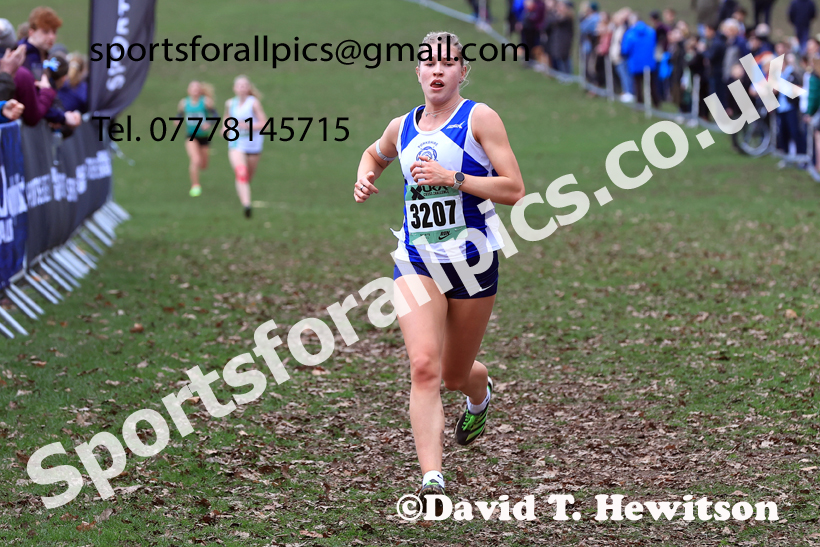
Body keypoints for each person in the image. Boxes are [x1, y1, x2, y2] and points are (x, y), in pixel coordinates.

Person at [353, 31, 525, 511]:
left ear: (462, 72)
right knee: (424, 367)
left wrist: (455, 179)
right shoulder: (402, 125)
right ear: (417, 71)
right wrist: (366, 176)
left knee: (454, 375)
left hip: (472, 259)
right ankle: (433, 480)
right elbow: (375, 153)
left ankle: (479, 390)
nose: (437, 70)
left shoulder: (480, 118)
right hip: (415, 260)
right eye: (429, 62)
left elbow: (514, 189)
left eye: (448, 63)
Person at [224, 75, 266, 218]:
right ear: (234, 88)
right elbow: (227, 120)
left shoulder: (253, 103)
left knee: (247, 177)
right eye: (239, 86)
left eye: (244, 86)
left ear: (248, 88)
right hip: (237, 144)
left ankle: (244, 197)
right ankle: (247, 205)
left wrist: (248, 126)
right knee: (241, 172)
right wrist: (225, 128)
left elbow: (264, 124)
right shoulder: (230, 103)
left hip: (254, 145)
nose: (242, 88)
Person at [177, 81, 217, 197]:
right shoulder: (184, 103)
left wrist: (208, 123)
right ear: (188, 90)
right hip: (191, 136)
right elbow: (179, 114)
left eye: (197, 88)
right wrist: (177, 120)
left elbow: (216, 116)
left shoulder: (205, 102)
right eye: (192, 88)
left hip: (203, 136)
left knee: (204, 165)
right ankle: (195, 186)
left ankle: (197, 175)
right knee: (195, 159)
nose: (194, 91)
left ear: (200, 90)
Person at [19, 7, 62, 77]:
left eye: (54, 32)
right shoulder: (23, 56)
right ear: (31, 32)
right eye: (45, 31)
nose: (52, 37)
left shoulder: (45, 55)